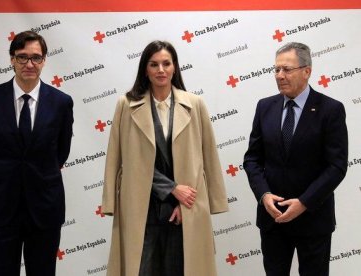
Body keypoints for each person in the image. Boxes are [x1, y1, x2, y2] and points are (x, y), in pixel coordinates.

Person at [101, 40, 228, 276]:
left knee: (182, 269)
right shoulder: (126, 105)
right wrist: (171, 188)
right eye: (154, 64)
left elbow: (208, 157)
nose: (161, 70)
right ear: (145, 69)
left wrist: (196, 200)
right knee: (141, 269)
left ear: (175, 67)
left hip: (185, 205)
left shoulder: (195, 104)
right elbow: (118, 159)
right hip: (140, 204)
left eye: (166, 63)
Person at [0, 31, 74, 276]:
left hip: (45, 207)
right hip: (1, 206)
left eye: (36, 58)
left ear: (44, 60)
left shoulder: (62, 102)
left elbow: (61, 153)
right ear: (11, 59)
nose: (29, 64)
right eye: (22, 57)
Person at [243, 42, 348, 275]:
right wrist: (264, 195)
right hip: (273, 219)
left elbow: (336, 166)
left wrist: (304, 202)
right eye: (277, 69)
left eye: (287, 69)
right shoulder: (264, 107)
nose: (280, 75)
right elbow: (252, 159)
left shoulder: (330, 110)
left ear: (307, 71)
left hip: (313, 218)